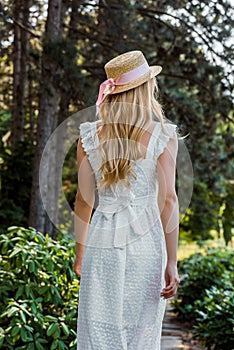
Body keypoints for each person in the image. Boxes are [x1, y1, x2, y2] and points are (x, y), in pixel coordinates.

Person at [74, 50, 180, 350]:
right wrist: (171, 262)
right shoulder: (162, 134)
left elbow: (84, 200)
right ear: (146, 88)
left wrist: (80, 253)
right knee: (141, 335)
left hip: (101, 242)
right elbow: (169, 201)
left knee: (97, 331)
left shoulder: (89, 136)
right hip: (147, 244)